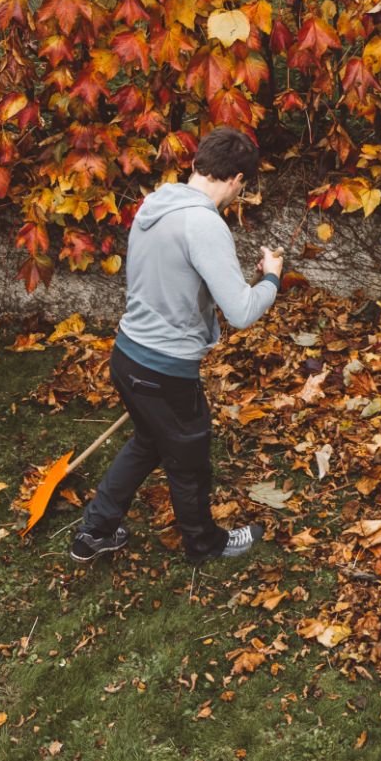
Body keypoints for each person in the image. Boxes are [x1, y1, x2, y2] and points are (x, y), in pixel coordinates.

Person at [69, 127, 282, 566]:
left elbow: (178, 275)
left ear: (197, 163)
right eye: (243, 186)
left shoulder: (155, 203)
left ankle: (94, 531)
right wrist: (272, 278)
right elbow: (241, 312)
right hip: (164, 372)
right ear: (237, 179)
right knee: (190, 466)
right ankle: (205, 544)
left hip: (127, 356)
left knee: (148, 441)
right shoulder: (204, 223)